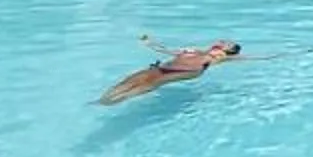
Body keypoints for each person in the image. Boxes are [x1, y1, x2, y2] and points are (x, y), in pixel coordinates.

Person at [99, 36, 240, 105]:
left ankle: (110, 102)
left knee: (148, 84)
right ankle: (103, 100)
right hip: (163, 68)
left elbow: (241, 58)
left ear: (227, 50)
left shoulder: (218, 57)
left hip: (183, 71)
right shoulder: (194, 51)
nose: (222, 42)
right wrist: (150, 43)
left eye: (227, 43)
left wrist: (262, 56)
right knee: (133, 79)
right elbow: (167, 51)